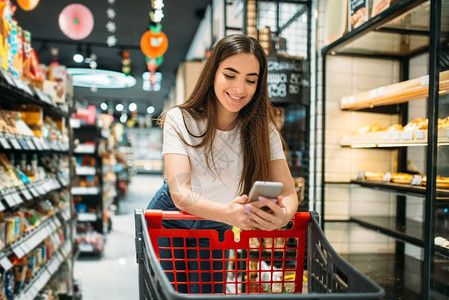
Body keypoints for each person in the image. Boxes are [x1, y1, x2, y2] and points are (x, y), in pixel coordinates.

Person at [147, 34, 299, 294]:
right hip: (172, 217)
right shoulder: (180, 119)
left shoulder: (264, 132)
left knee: (208, 296)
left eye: (250, 80)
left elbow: (288, 193)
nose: (239, 89)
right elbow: (180, 192)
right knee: (169, 294)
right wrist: (229, 215)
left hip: (215, 225)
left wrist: (282, 216)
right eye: (230, 75)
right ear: (213, 73)